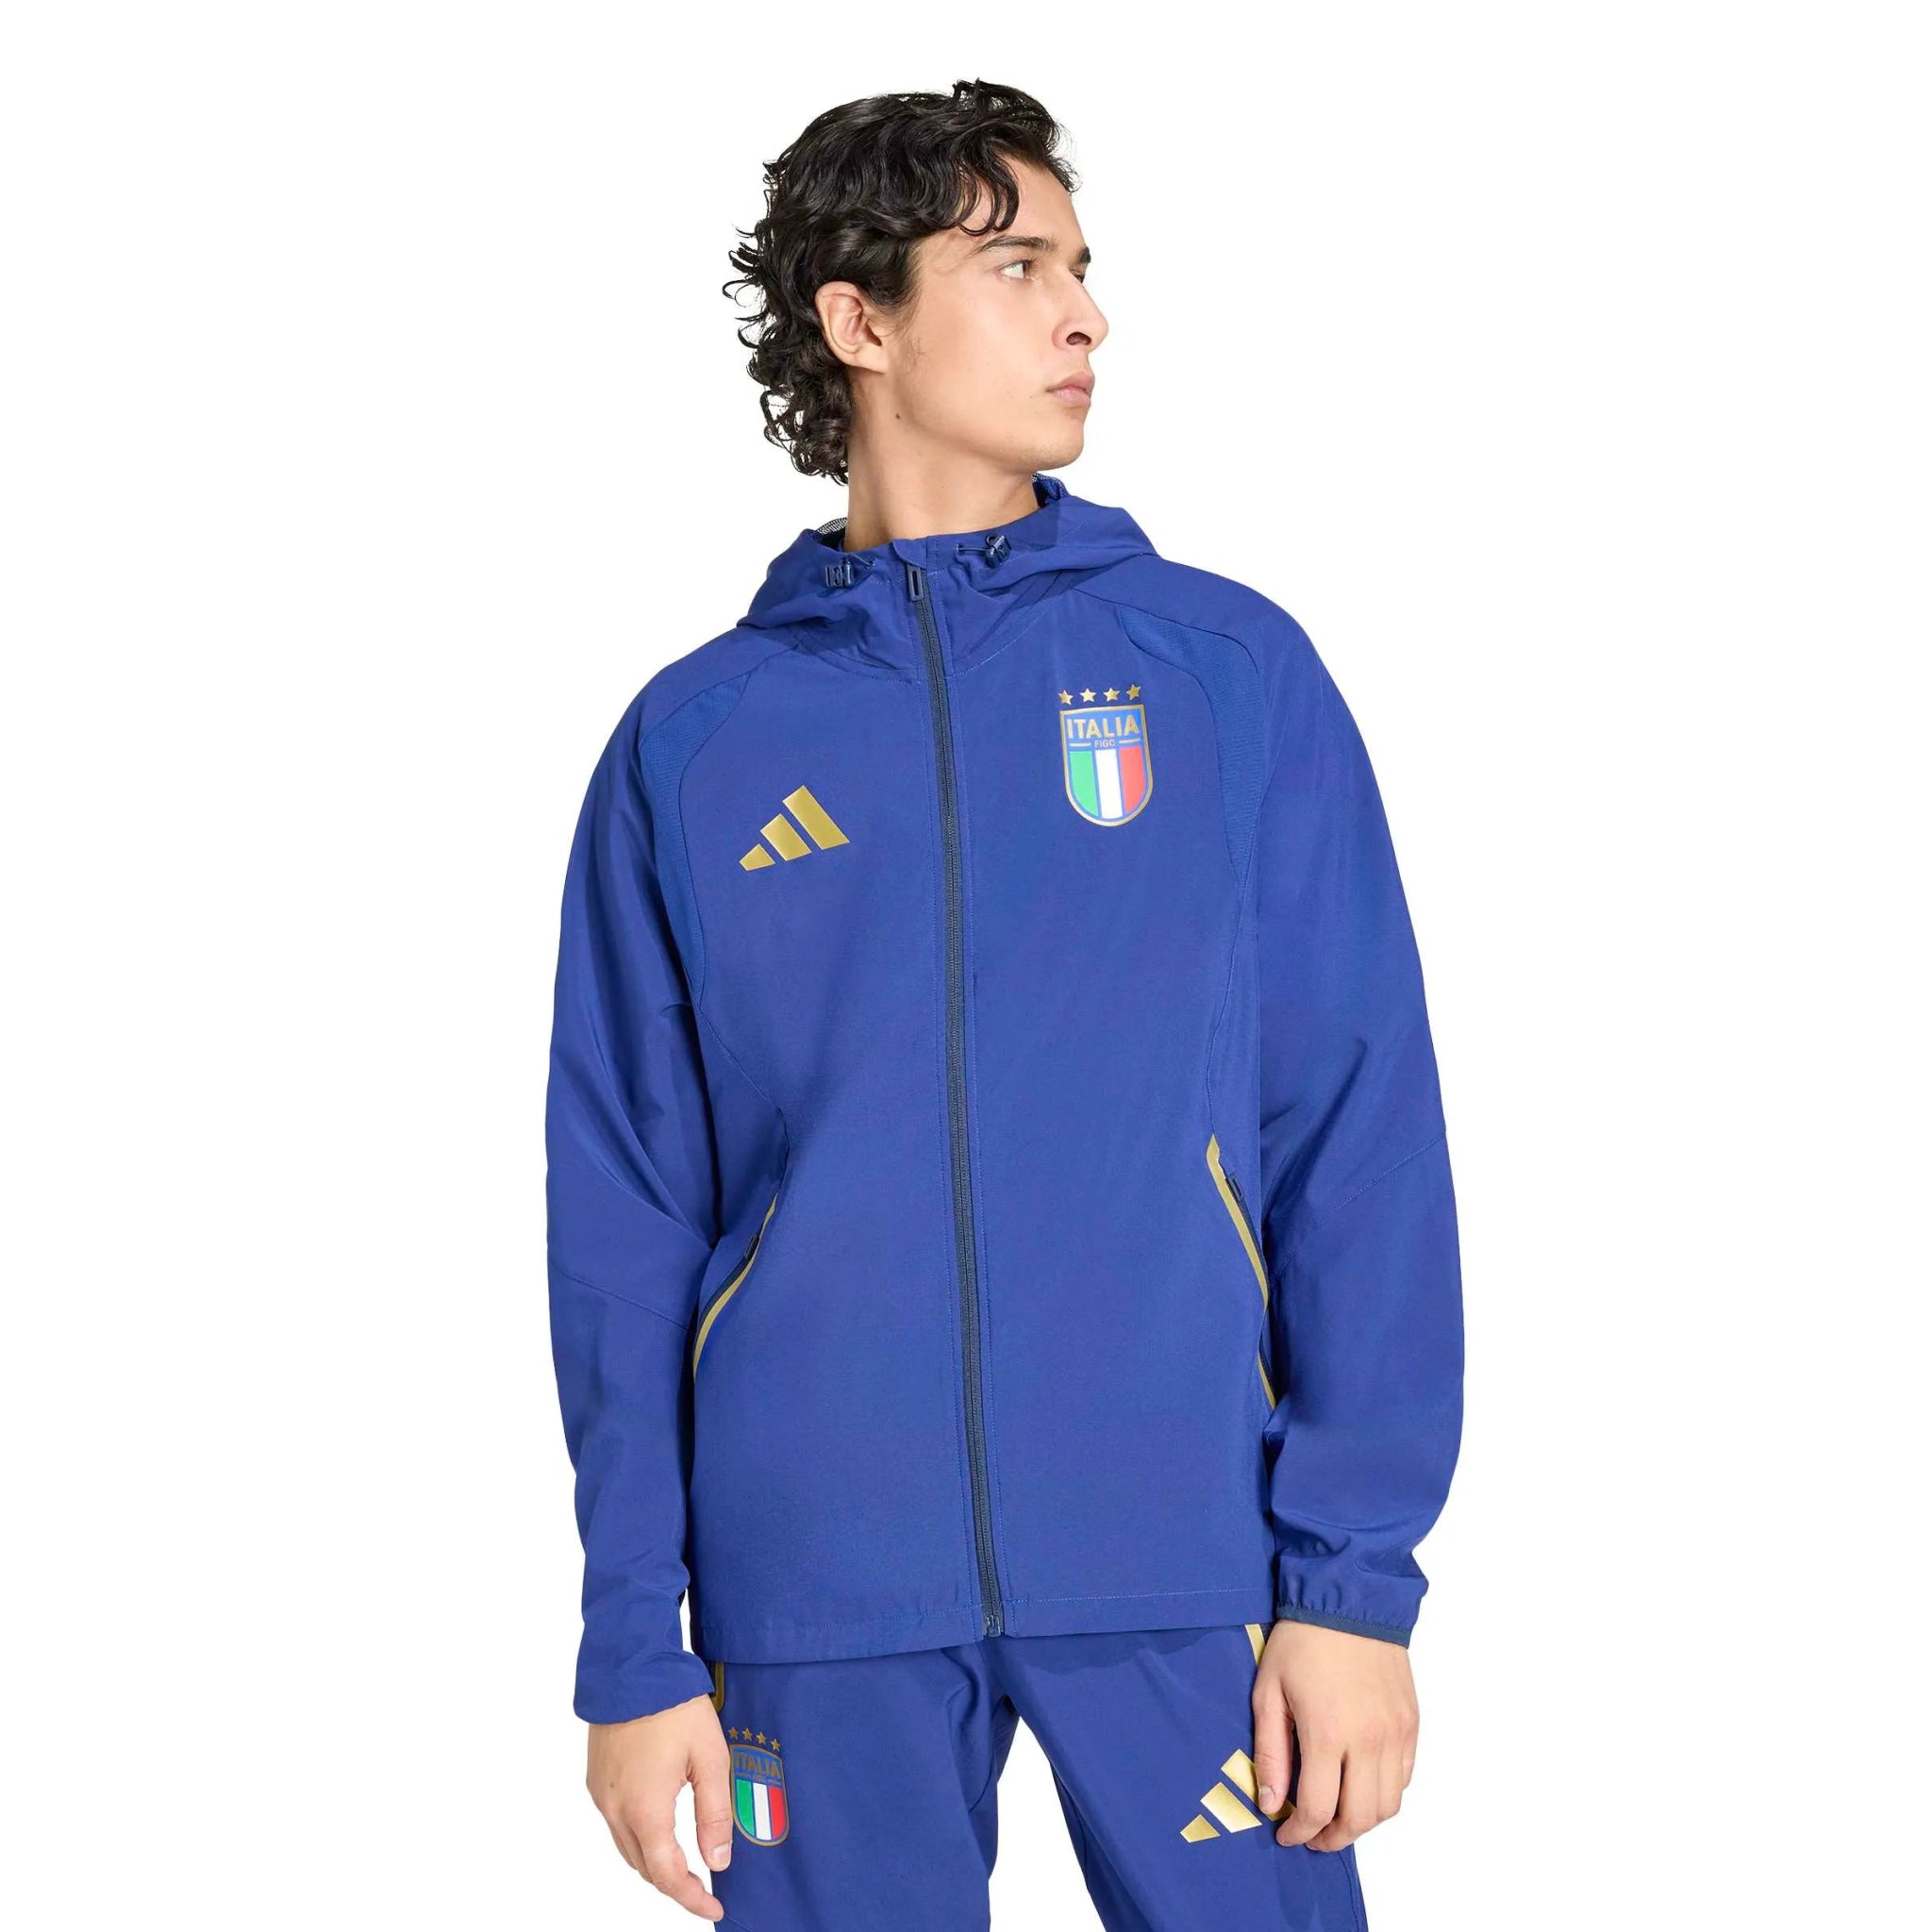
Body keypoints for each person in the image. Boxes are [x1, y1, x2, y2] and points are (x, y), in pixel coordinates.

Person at [544, 78, 1463, 1932]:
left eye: (1082, 266)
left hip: (1181, 1558)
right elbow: (625, 1215)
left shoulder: (1223, 674)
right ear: (860, 321)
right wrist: (634, 1643)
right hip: (815, 1586)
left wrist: (1349, 1585)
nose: (1086, 315)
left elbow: (1354, 1130)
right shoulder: (696, 742)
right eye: (1019, 266)